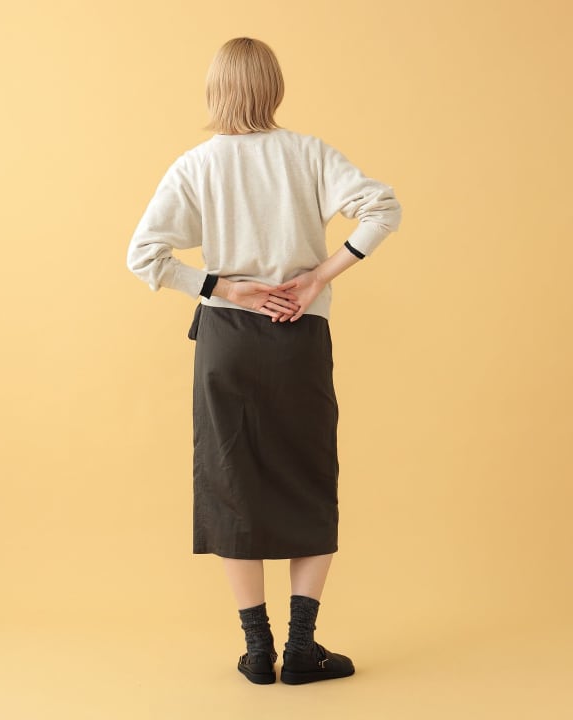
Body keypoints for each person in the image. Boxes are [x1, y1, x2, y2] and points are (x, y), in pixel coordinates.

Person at [126, 36, 402, 685]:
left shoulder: (196, 164)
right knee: (308, 477)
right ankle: (302, 649)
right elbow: (383, 208)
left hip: (227, 340)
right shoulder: (308, 153)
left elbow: (144, 256)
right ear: (275, 87)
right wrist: (317, 277)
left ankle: (258, 651)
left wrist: (224, 287)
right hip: (299, 335)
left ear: (214, 91)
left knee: (231, 483)